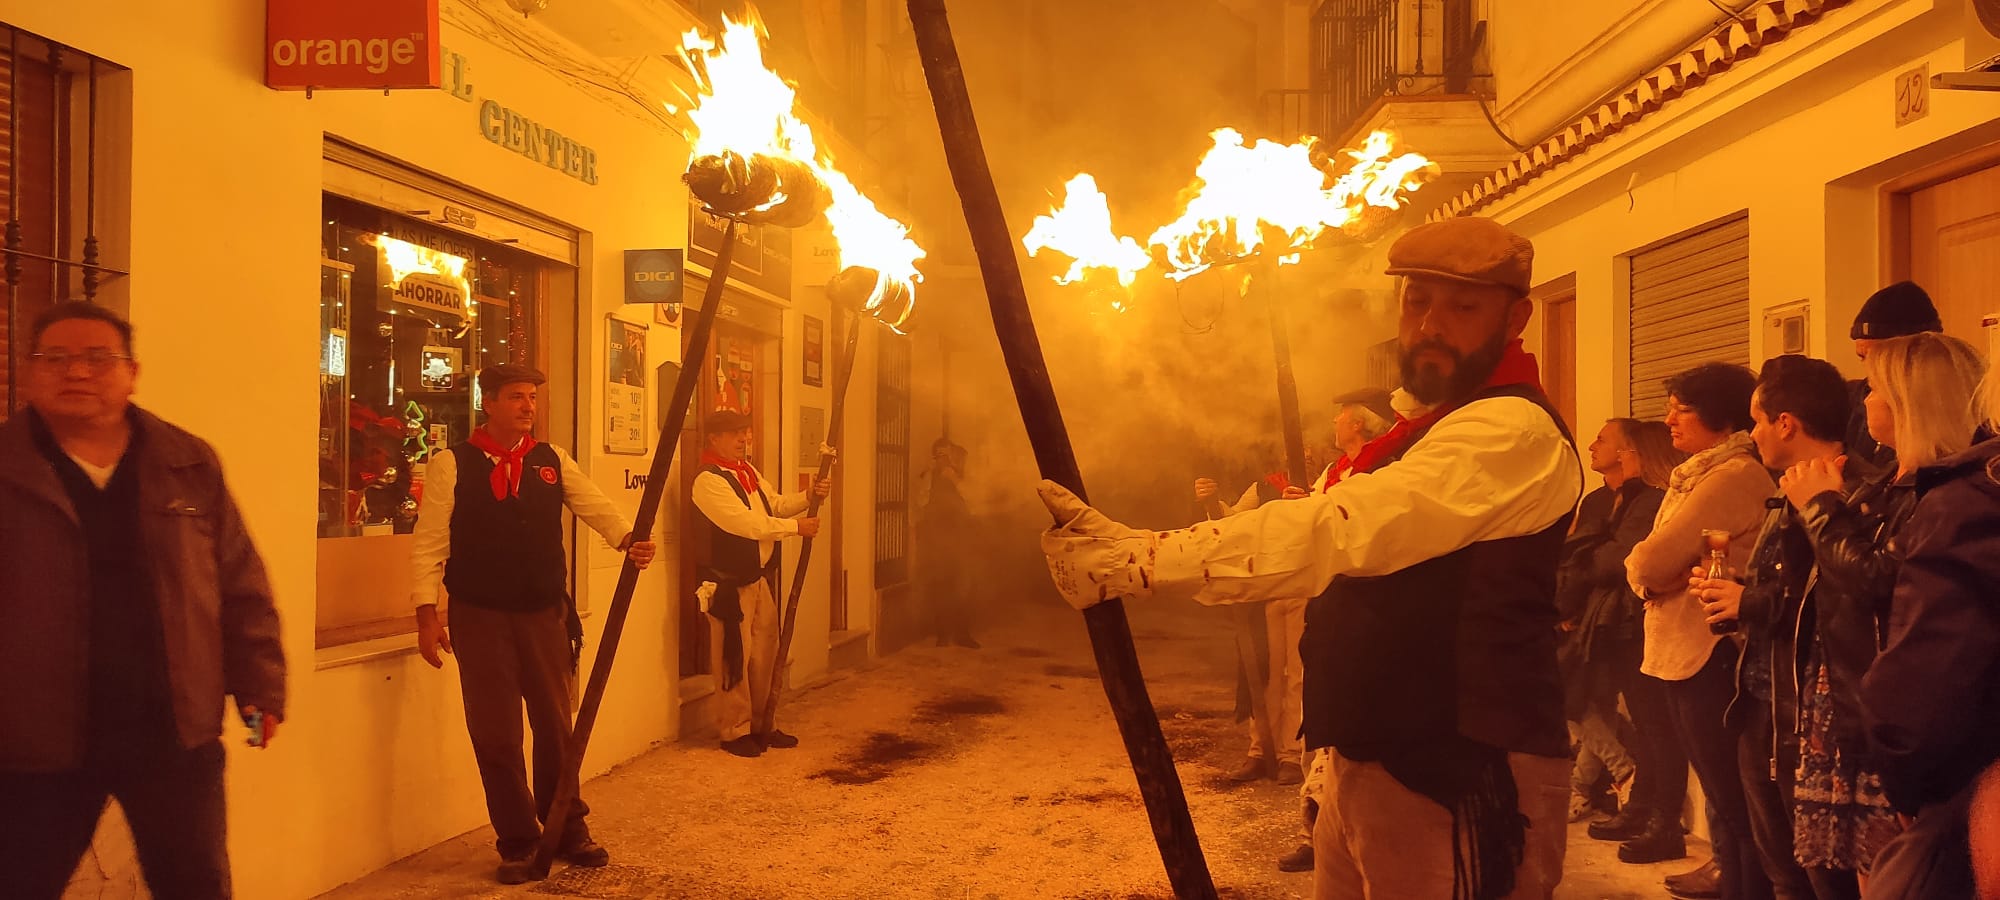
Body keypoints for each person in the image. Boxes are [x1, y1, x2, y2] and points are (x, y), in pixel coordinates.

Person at [1040, 216, 1583, 899]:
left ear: (1515, 319)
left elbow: (1341, 531)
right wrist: (1328, 767)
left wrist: (1145, 560)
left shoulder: (1509, 430)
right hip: (1369, 759)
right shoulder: (1419, 430)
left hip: (1463, 773)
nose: (1431, 325)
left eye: (1463, 307)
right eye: (1418, 301)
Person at [0, 302, 286, 899]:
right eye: (58, 358)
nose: (77, 372)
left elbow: (239, 583)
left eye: (97, 359)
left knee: (195, 884)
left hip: (171, 733)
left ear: (131, 372)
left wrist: (260, 690)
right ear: (29, 372)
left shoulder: (186, 462)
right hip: (33, 739)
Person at [409, 362, 656, 884]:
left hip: (544, 613)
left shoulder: (551, 461)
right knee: (496, 733)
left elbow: (597, 508)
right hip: (480, 616)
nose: (528, 406)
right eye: (517, 396)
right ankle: (518, 839)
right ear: (489, 402)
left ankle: (566, 828)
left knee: (555, 726)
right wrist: (426, 614)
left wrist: (629, 538)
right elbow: (430, 543)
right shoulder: (451, 465)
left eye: (532, 397)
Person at [1777, 333, 1984, 897]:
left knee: (1894, 871)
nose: (1861, 400)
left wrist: (1820, 508)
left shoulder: (1950, 492)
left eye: (1872, 387)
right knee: (1837, 867)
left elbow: (1878, 580)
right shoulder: (1889, 480)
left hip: (1891, 707)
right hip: (1848, 694)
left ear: (1906, 400)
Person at [1695, 355, 1872, 900]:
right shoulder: (1786, 489)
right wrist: (1736, 596)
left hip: (1809, 718)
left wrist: (1750, 602)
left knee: (1818, 873)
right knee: (1780, 870)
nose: (1753, 434)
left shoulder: (1851, 494)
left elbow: (1836, 599)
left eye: (1757, 421)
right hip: (1760, 702)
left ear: (1786, 423)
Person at [1622, 362, 1775, 898]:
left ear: (1721, 415)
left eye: (1681, 409)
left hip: (1709, 650)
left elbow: (1651, 560)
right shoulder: (1698, 473)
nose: (1668, 420)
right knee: (1722, 795)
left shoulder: (1733, 476)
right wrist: (1649, 575)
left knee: (1734, 801)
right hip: (1684, 646)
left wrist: (1645, 576)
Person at [1857, 341, 2000, 899]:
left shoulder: (1970, 499)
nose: (1864, 400)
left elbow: (1925, 688)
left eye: (1874, 387)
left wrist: (1909, 787)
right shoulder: (1893, 491)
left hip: (1961, 783)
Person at [1279, 387, 1398, 874]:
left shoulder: (1385, 469)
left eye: (1340, 416)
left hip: (1366, 610)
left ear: (1359, 423)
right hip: (1327, 603)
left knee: (1352, 732)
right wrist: (1304, 503)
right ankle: (1316, 831)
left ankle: (1344, 835)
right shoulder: (1335, 473)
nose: (1333, 424)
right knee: (1318, 718)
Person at [1560, 419, 1680, 825]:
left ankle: (1648, 804)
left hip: (1630, 617)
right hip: (1597, 618)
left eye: (1603, 439)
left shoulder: (1649, 498)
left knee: (1644, 718)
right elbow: (1579, 555)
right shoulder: (1597, 501)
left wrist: (1585, 561)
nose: (1592, 445)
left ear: (1635, 453)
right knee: (1594, 703)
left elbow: (1613, 559)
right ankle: (1627, 795)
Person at [694, 409, 830, 758]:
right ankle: (733, 730)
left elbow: (776, 506)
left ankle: (762, 723)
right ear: (714, 439)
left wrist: (809, 495)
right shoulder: (707, 481)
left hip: (759, 581)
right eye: (735, 434)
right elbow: (747, 524)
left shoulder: (748, 473)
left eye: (745, 433)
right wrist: (795, 530)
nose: (743, 440)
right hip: (728, 586)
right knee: (734, 659)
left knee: (765, 657)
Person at [1843, 281, 1941, 471]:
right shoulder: (1852, 399)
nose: (1871, 372)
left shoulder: (1954, 410)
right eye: (1863, 358)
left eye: (1880, 360)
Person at [921, 437, 980, 648]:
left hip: (962, 539)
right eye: (940, 455)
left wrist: (955, 480)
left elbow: (975, 503)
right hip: (937, 539)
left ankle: (963, 634)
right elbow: (919, 503)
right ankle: (943, 635)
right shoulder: (929, 476)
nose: (944, 460)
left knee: (963, 586)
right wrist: (928, 475)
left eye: (947, 455)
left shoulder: (963, 476)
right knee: (941, 586)